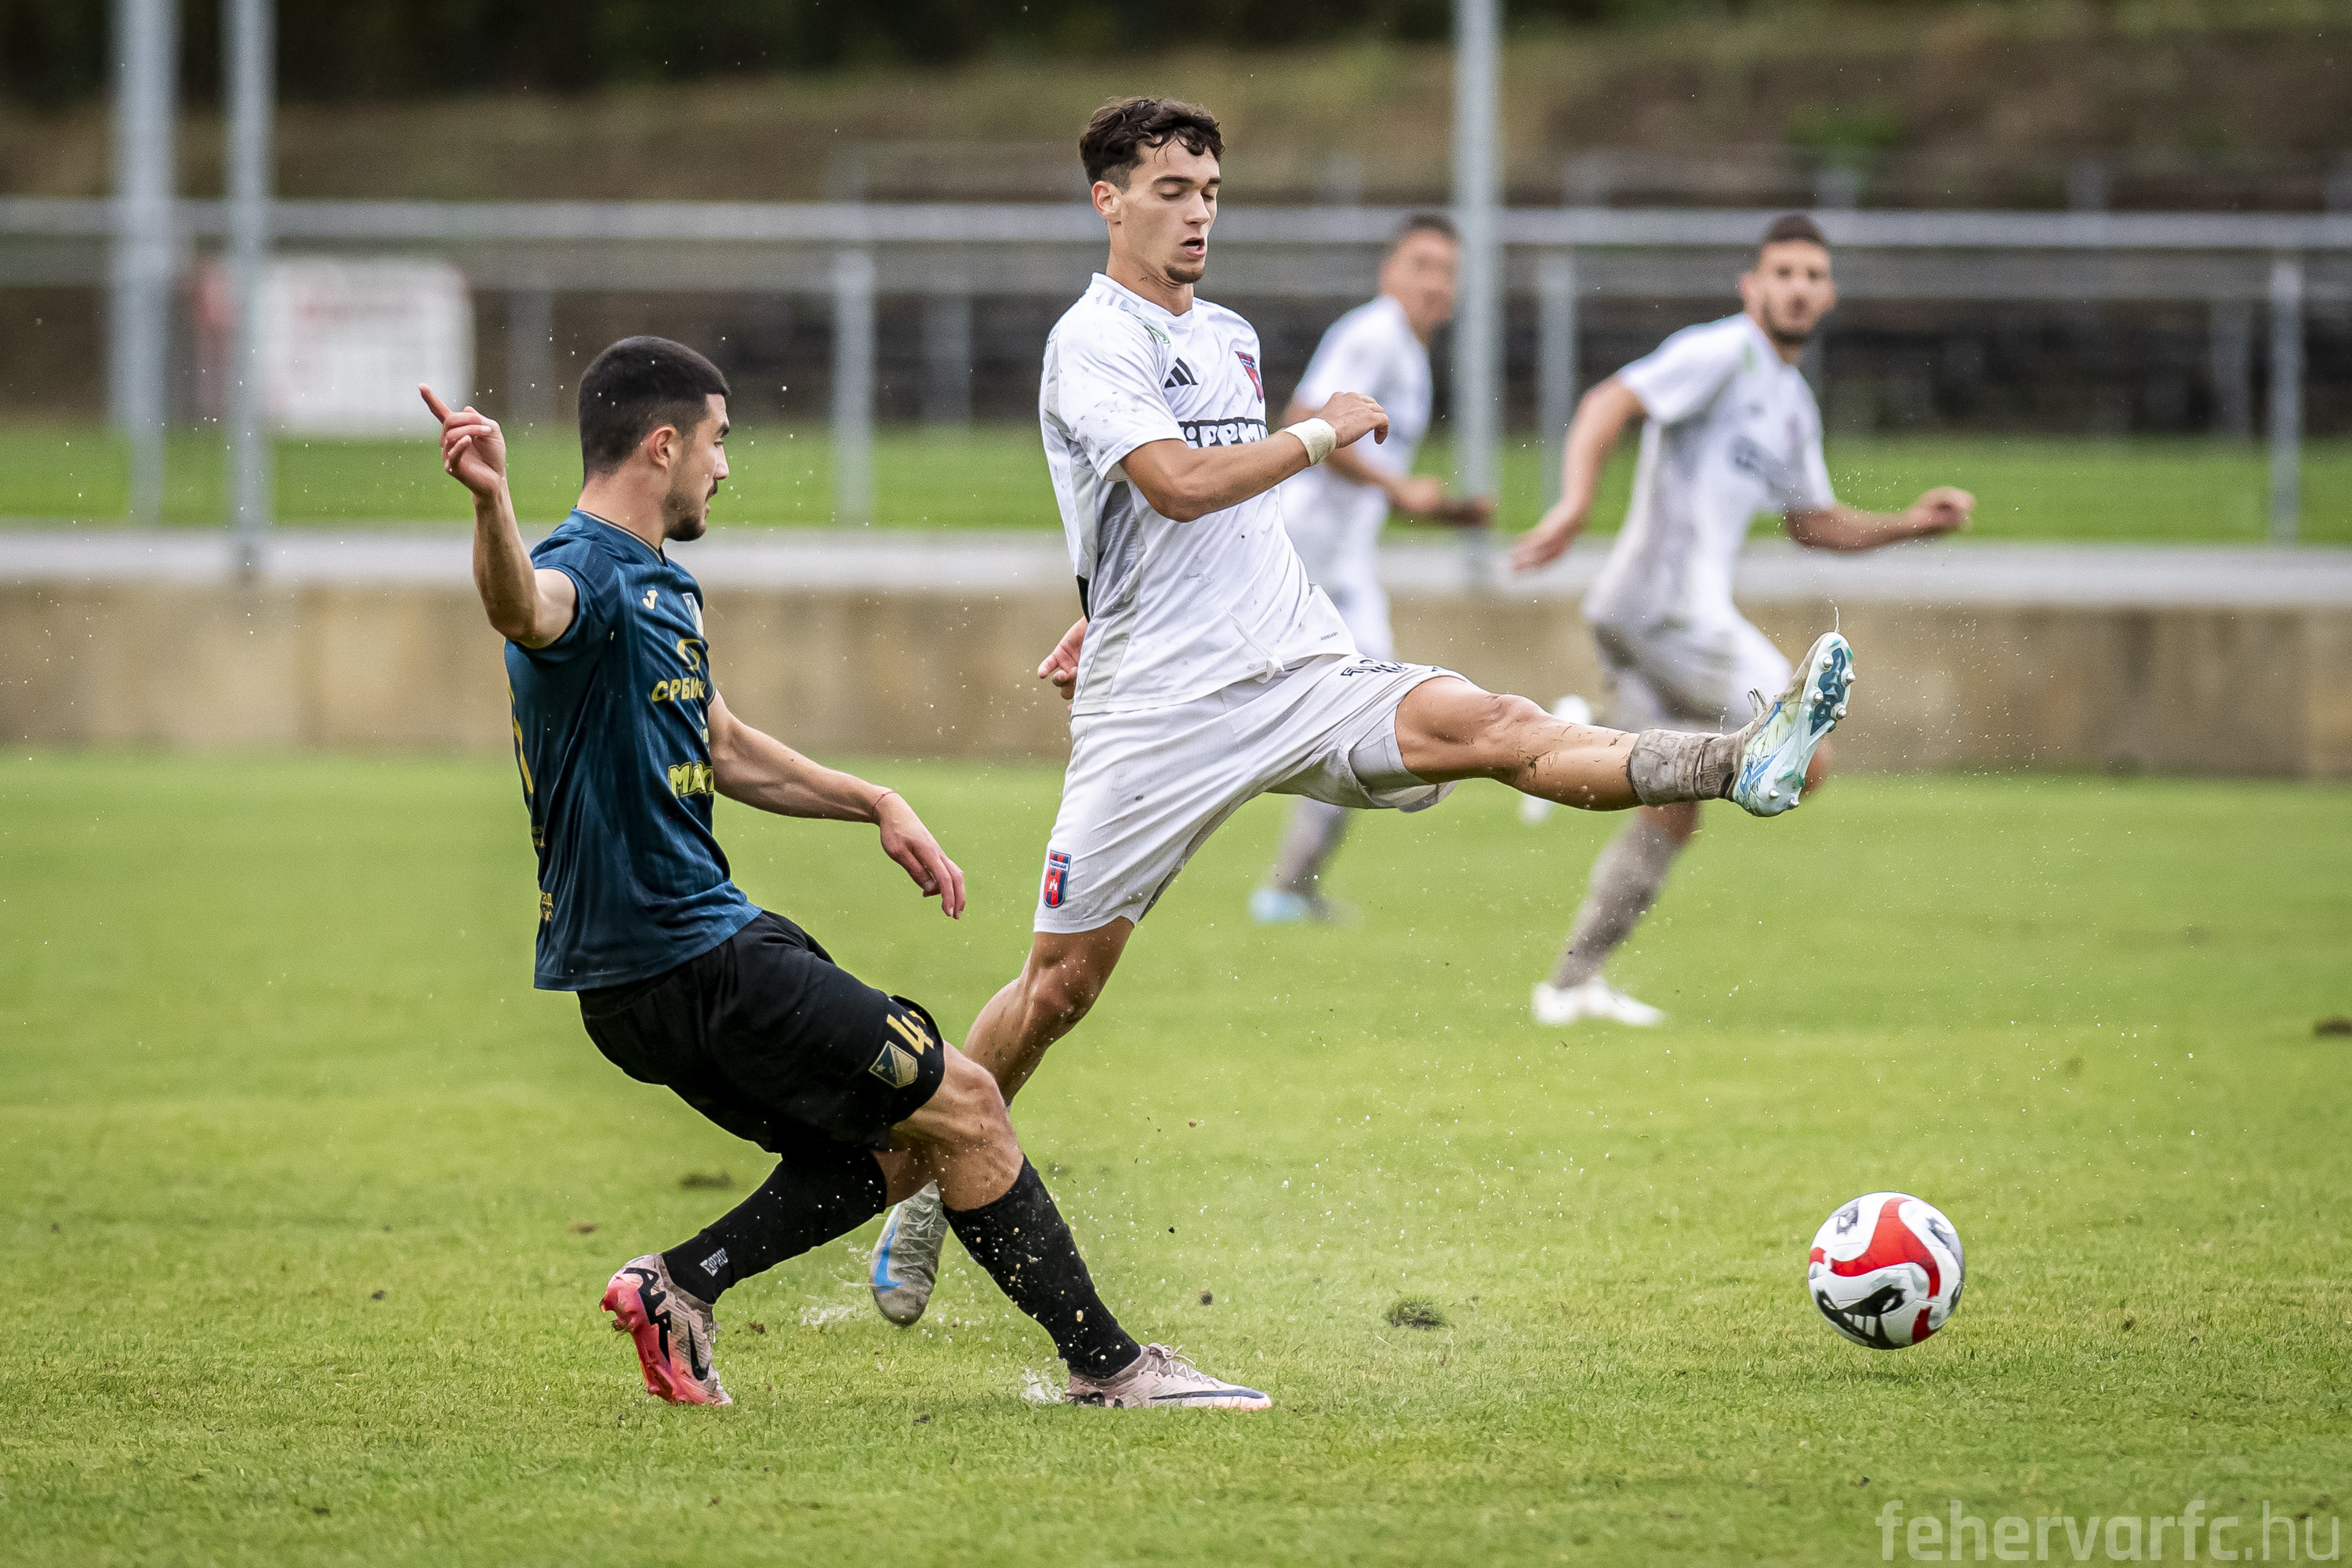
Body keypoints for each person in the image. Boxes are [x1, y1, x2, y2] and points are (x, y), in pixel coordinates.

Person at [866, 99, 1858, 1327]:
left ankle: (1738, 761)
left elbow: (1213, 519)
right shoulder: (1092, 341)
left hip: (1296, 666)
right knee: (1057, 990)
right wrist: (1311, 437)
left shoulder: (1227, 333)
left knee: (1495, 727)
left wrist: (1105, 592)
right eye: (1172, 190)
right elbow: (1173, 485)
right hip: (1159, 712)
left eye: (1211, 191)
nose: (1199, 214)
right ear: (1108, 201)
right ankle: (927, 1186)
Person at [420, 336, 1268, 1410]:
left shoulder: (662, 586)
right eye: (718, 441)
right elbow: (521, 608)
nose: (725, 466)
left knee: (909, 1140)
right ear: (663, 444)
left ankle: (682, 1284)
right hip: (692, 956)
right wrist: (490, 502)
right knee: (968, 1099)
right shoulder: (583, 571)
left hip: (641, 979)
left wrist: (873, 800)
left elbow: (725, 747)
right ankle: (1111, 1366)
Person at [1508, 214, 1974, 1029]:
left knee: (1670, 802)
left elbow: (1813, 523)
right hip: (1671, 611)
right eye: (1782, 272)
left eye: (1812, 275)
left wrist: (1911, 525)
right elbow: (1609, 400)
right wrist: (1577, 502)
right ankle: (1583, 733)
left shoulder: (1791, 405)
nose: (1797, 288)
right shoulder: (1722, 352)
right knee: (1806, 757)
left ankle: (1572, 980)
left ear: (1828, 295)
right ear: (1751, 286)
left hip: (1648, 618)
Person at [1250, 213, 1495, 925]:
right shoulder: (1374, 333)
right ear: (1390, 272)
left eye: (1447, 271)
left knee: (1377, 715)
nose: (1435, 282)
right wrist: (1399, 488)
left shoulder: (1411, 359)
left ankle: (1291, 887)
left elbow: (1375, 472)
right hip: (1296, 556)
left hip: (1344, 570)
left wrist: (1439, 510)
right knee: (1364, 714)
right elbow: (1305, 416)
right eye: (1421, 265)